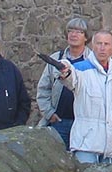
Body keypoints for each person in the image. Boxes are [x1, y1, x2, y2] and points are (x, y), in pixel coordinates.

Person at [61, 30, 112, 164]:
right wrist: (65, 71)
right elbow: (69, 78)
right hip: (86, 144)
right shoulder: (80, 69)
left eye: (106, 44)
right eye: (99, 43)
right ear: (93, 46)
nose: (102, 48)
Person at [35, 17, 91, 148]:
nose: (73, 34)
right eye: (70, 31)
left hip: (84, 124)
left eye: (79, 32)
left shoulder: (92, 62)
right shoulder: (56, 59)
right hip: (60, 121)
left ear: (86, 37)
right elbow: (43, 89)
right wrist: (49, 114)